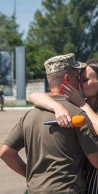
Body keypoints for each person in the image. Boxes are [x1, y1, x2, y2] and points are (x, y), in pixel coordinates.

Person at [0, 53, 98, 193]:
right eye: (78, 77)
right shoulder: (78, 114)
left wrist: (32, 177)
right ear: (67, 78)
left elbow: (5, 153)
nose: (80, 82)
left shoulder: (29, 115)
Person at [29, 59, 98, 194]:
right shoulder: (82, 103)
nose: (79, 83)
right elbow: (34, 95)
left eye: (84, 79)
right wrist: (56, 106)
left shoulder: (82, 104)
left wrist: (82, 105)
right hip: (83, 177)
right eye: (79, 79)